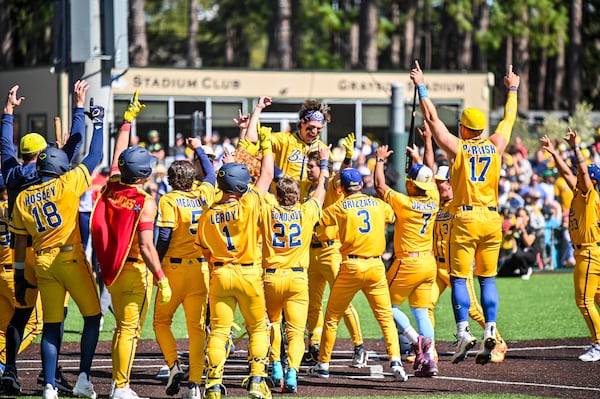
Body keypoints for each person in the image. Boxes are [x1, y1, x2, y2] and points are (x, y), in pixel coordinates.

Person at [410, 61, 520, 365]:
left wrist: (421, 86)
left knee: (459, 279)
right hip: (493, 219)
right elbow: (509, 118)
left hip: (466, 218)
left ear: (463, 128)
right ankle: (491, 328)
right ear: (481, 129)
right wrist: (512, 89)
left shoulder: (458, 148)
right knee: (487, 281)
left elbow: (431, 119)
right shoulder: (496, 144)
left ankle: (463, 333)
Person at [10, 98, 105, 399]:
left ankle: (49, 385)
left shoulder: (23, 198)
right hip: (70, 258)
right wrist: (97, 123)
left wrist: (21, 275)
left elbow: (20, 241)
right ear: (60, 167)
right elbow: (96, 154)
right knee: (92, 317)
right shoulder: (68, 183)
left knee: (51, 326)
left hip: (41, 263)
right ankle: (83, 378)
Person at [90, 90, 172, 399]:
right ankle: (121, 388)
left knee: (122, 329)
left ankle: (117, 382)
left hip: (112, 268)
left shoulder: (112, 184)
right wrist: (162, 279)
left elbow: (116, 156)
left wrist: (126, 122)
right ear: (145, 173)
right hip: (135, 271)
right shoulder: (145, 202)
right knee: (129, 329)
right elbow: (147, 246)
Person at [195, 123, 274, 399]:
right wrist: (266, 144)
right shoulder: (249, 203)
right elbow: (267, 174)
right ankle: (256, 381)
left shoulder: (208, 212)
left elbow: (203, 249)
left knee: (219, 331)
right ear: (242, 186)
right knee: (258, 328)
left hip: (220, 274)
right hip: (248, 274)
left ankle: (214, 385)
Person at [307, 168, 408, 382]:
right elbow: (392, 216)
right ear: (361, 184)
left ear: (342, 188)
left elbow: (320, 220)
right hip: (375, 266)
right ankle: (396, 362)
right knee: (385, 318)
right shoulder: (378, 204)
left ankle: (323, 364)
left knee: (332, 317)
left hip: (350, 266)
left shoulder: (340, 206)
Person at [260, 145, 329, 393]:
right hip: (298, 279)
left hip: (271, 277)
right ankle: (292, 374)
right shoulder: (306, 210)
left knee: (273, 324)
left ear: (278, 196)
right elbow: (321, 190)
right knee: (296, 332)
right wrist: (325, 162)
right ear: (297, 195)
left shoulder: (269, 207)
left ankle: (275, 364)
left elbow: (261, 184)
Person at [153, 139, 216, 399]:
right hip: (200, 271)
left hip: (174, 269)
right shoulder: (204, 193)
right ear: (193, 179)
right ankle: (194, 385)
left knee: (160, 322)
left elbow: (165, 236)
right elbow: (211, 173)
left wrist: (156, 262)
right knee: (197, 329)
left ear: (170, 179)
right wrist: (199, 148)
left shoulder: (169, 200)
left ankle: (174, 364)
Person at [373, 142, 439, 377]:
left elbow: (380, 186)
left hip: (407, 263)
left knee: (384, 304)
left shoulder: (405, 203)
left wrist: (380, 160)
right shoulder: (434, 197)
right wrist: (419, 158)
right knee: (421, 312)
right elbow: (429, 177)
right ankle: (430, 360)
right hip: (428, 263)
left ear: (411, 184)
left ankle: (416, 341)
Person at [430, 165, 509, 363]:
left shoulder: (460, 203)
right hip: (437, 267)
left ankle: (498, 341)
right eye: (438, 182)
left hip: (458, 267)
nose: (440, 185)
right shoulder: (438, 203)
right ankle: (429, 350)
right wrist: (427, 143)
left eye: (443, 182)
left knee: (473, 309)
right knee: (425, 305)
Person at [303, 135, 366, 368]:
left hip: (331, 251)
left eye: (312, 166)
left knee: (342, 303)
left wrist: (346, 157)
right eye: (307, 166)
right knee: (313, 303)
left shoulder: (330, 186)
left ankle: (359, 345)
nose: (308, 170)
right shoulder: (304, 187)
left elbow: (343, 175)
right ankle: (314, 344)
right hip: (311, 252)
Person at [540, 130, 600, 362]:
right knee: (596, 296)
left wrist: (575, 146)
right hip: (589, 251)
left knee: (583, 301)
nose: (577, 175)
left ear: (592, 181)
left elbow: (582, 171)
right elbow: (566, 172)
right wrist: (555, 153)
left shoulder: (589, 194)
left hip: (589, 252)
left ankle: (598, 343)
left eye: (583, 175)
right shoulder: (579, 192)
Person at [245, 96, 328, 183]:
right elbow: (251, 139)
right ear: (302, 123)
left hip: (309, 195)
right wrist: (258, 109)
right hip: (282, 194)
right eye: (311, 127)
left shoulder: (323, 149)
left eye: (319, 129)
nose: (314, 131)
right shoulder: (283, 140)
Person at [497, 207, 537, 279]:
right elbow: (507, 238)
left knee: (518, 254)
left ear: (527, 217)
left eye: (521, 216)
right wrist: (515, 230)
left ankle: (526, 270)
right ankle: (518, 271)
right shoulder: (514, 228)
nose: (519, 218)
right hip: (516, 256)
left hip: (529, 255)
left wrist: (523, 230)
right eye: (518, 216)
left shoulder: (531, 229)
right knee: (501, 273)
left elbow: (528, 243)